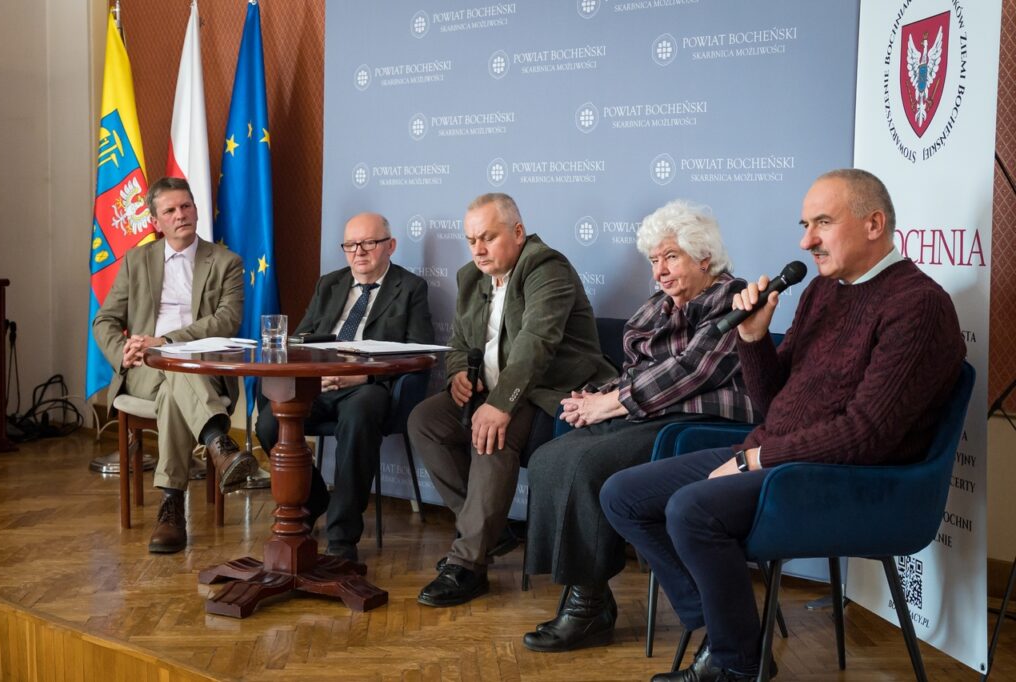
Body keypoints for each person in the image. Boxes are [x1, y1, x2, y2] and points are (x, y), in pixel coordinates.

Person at [600, 169, 966, 682]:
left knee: (691, 509)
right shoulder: (822, 291)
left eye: (822, 223)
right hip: (778, 456)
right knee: (622, 495)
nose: (805, 241)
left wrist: (756, 459)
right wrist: (752, 338)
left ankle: (735, 663)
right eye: (804, 225)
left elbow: (865, 434)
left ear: (873, 224)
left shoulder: (918, 305)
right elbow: (774, 404)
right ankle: (729, 635)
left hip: (846, 479)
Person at [522, 200, 758, 653]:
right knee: (550, 456)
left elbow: (693, 371)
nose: (660, 271)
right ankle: (588, 596)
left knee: (587, 463)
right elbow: (635, 373)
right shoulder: (657, 307)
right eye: (654, 260)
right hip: (649, 414)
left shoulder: (734, 298)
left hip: (702, 424)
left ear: (704, 257)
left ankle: (587, 608)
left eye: (671, 257)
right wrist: (595, 397)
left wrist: (612, 404)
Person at [408, 192, 616, 607]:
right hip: (491, 389)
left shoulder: (546, 267)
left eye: (488, 237)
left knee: (490, 435)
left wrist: (500, 404)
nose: (478, 249)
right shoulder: (471, 277)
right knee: (424, 421)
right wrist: (459, 374)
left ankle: (468, 563)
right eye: (471, 240)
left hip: (551, 393)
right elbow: (459, 343)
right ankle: (491, 530)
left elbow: (535, 345)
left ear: (518, 232)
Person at [254, 212, 434, 562]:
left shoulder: (410, 287)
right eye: (350, 245)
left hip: (367, 387)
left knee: (360, 413)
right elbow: (299, 339)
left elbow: (419, 352)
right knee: (269, 421)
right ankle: (314, 498)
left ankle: (342, 536)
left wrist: (363, 376)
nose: (359, 252)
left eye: (369, 243)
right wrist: (311, 373)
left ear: (391, 245)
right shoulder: (330, 283)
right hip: (319, 383)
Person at [93, 177, 255, 554]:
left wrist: (167, 342)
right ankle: (218, 442)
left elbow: (227, 320)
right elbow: (105, 320)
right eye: (170, 210)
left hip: (202, 370)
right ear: (155, 221)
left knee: (174, 385)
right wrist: (124, 352)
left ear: (196, 210)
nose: (180, 215)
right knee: (171, 370)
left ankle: (172, 506)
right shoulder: (137, 261)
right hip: (144, 368)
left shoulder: (226, 262)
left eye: (186, 206)